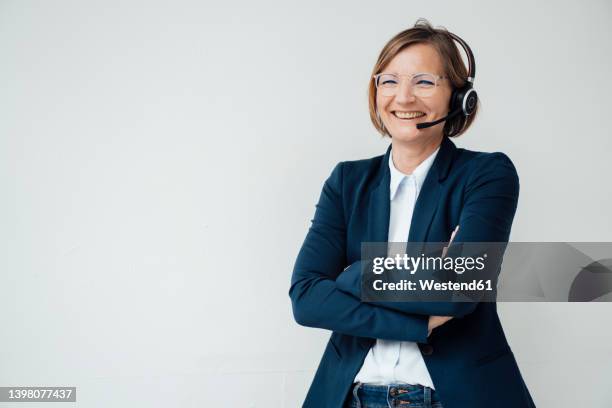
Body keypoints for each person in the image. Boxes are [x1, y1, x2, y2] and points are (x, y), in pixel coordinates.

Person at [289, 19, 536, 408]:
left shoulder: (487, 174)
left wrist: (354, 274)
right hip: (349, 396)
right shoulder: (347, 181)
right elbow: (305, 297)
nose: (403, 98)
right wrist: (419, 321)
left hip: (452, 396)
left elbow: (458, 291)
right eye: (388, 81)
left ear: (458, 97)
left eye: (424, 82)